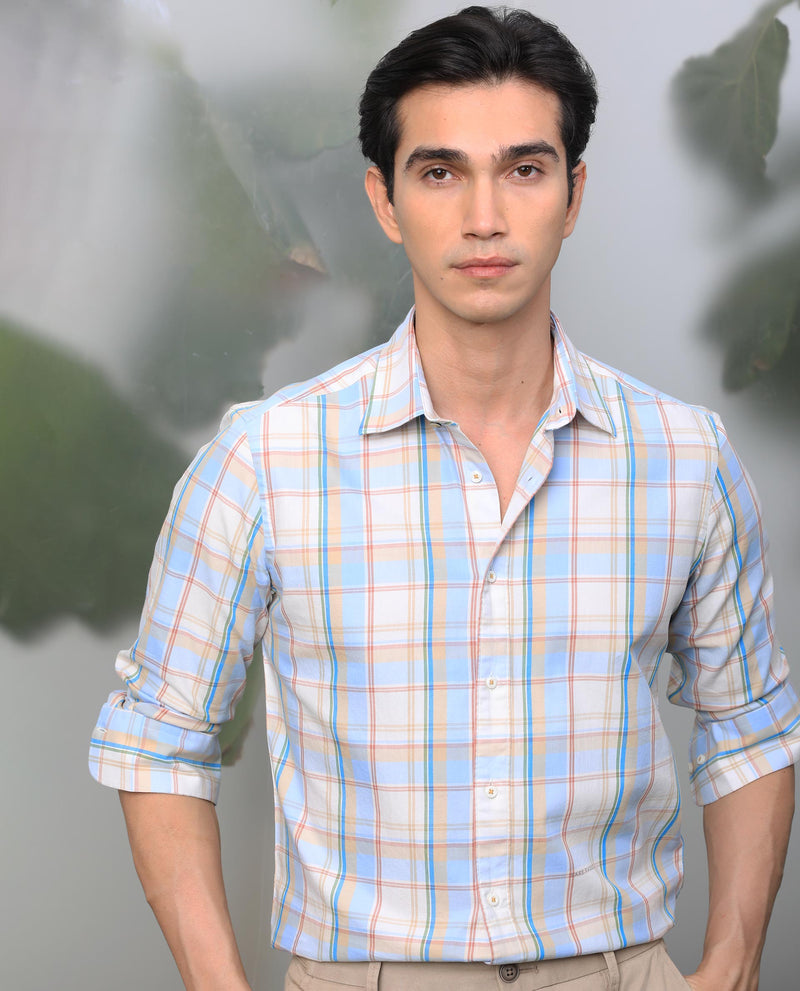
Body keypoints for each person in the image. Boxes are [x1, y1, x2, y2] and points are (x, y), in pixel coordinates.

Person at [89, 7, 799, 990]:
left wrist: (732, 960)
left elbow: (748, 722)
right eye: (439, 172)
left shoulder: (684, 456)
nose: (483, 217)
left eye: (523, 168)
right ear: (383, 200)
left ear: (573, 192)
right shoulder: (264, 460)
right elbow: (158, 741)